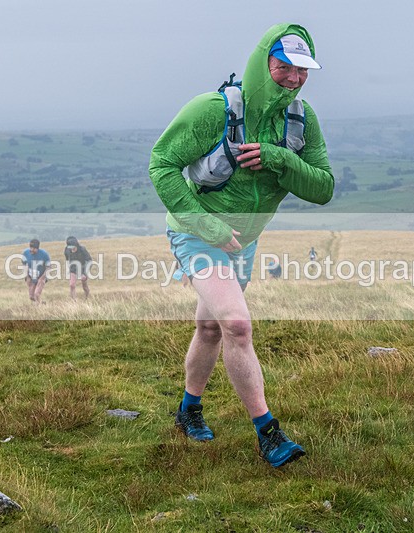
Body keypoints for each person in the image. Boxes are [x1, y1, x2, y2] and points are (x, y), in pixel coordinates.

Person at [149, 23, 333, 467]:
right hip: (197, 232)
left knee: (211, 328)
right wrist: (206, 225)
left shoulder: (301, 120)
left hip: (242, 241)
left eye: (303, 70)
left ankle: (188, 410)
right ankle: (269, 434)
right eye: (283, 67)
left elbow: (323, 188)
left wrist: (279, 158)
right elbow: (162, 164)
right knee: (236, 325)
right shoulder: (212, 111)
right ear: (262, 64)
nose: (294, 78)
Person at [21, 238, 50, 304]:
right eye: (31, 248)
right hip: (31, 277)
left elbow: (49, 267)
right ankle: (42, 304)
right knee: (31, 297)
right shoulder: (25, 253)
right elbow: (24, 265)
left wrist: (42, 278)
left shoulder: (44, 254)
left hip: (41, 277)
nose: (31, 250)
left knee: (36, 294)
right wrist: (27, 277)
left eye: (34, 248)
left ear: (37, 248)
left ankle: (39, 307)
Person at [64, 236, 92, 300]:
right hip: (73, 268)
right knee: (72, 285)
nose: (72, 249)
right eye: (70, 248)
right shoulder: (67, 250)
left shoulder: (82, 250)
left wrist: (84, 273)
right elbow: (67, 259)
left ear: (76, 245)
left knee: (84, 285)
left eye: (73, 247)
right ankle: (74, 301)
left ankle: (87, 297)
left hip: (83, 268)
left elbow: (89, 261)